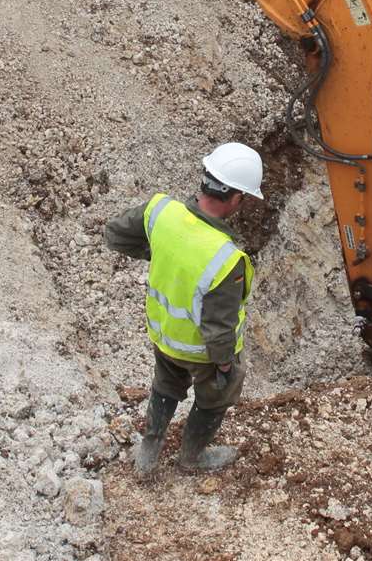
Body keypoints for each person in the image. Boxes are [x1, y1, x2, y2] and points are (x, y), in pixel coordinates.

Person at [103, 142, 263, 476]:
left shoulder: (161, 213)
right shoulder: (225, 259)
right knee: (215, 397)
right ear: (236, 198)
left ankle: (149, 452)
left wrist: (159, 254)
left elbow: (115, 235)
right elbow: (219, 330)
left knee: (165, 384)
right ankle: (192, 457)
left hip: (163, 336)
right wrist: (223, 368)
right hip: (201, 353)